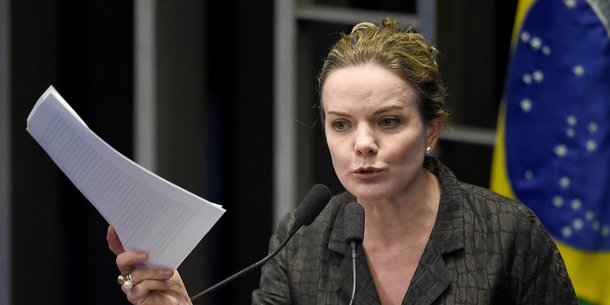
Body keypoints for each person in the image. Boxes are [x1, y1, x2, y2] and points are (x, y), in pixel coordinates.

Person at [108, 18, 578, 305]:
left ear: (432, 130)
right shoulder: (303, 241)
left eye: (389, 122)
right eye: (341, 124)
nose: (363, 143)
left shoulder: (506, 234)